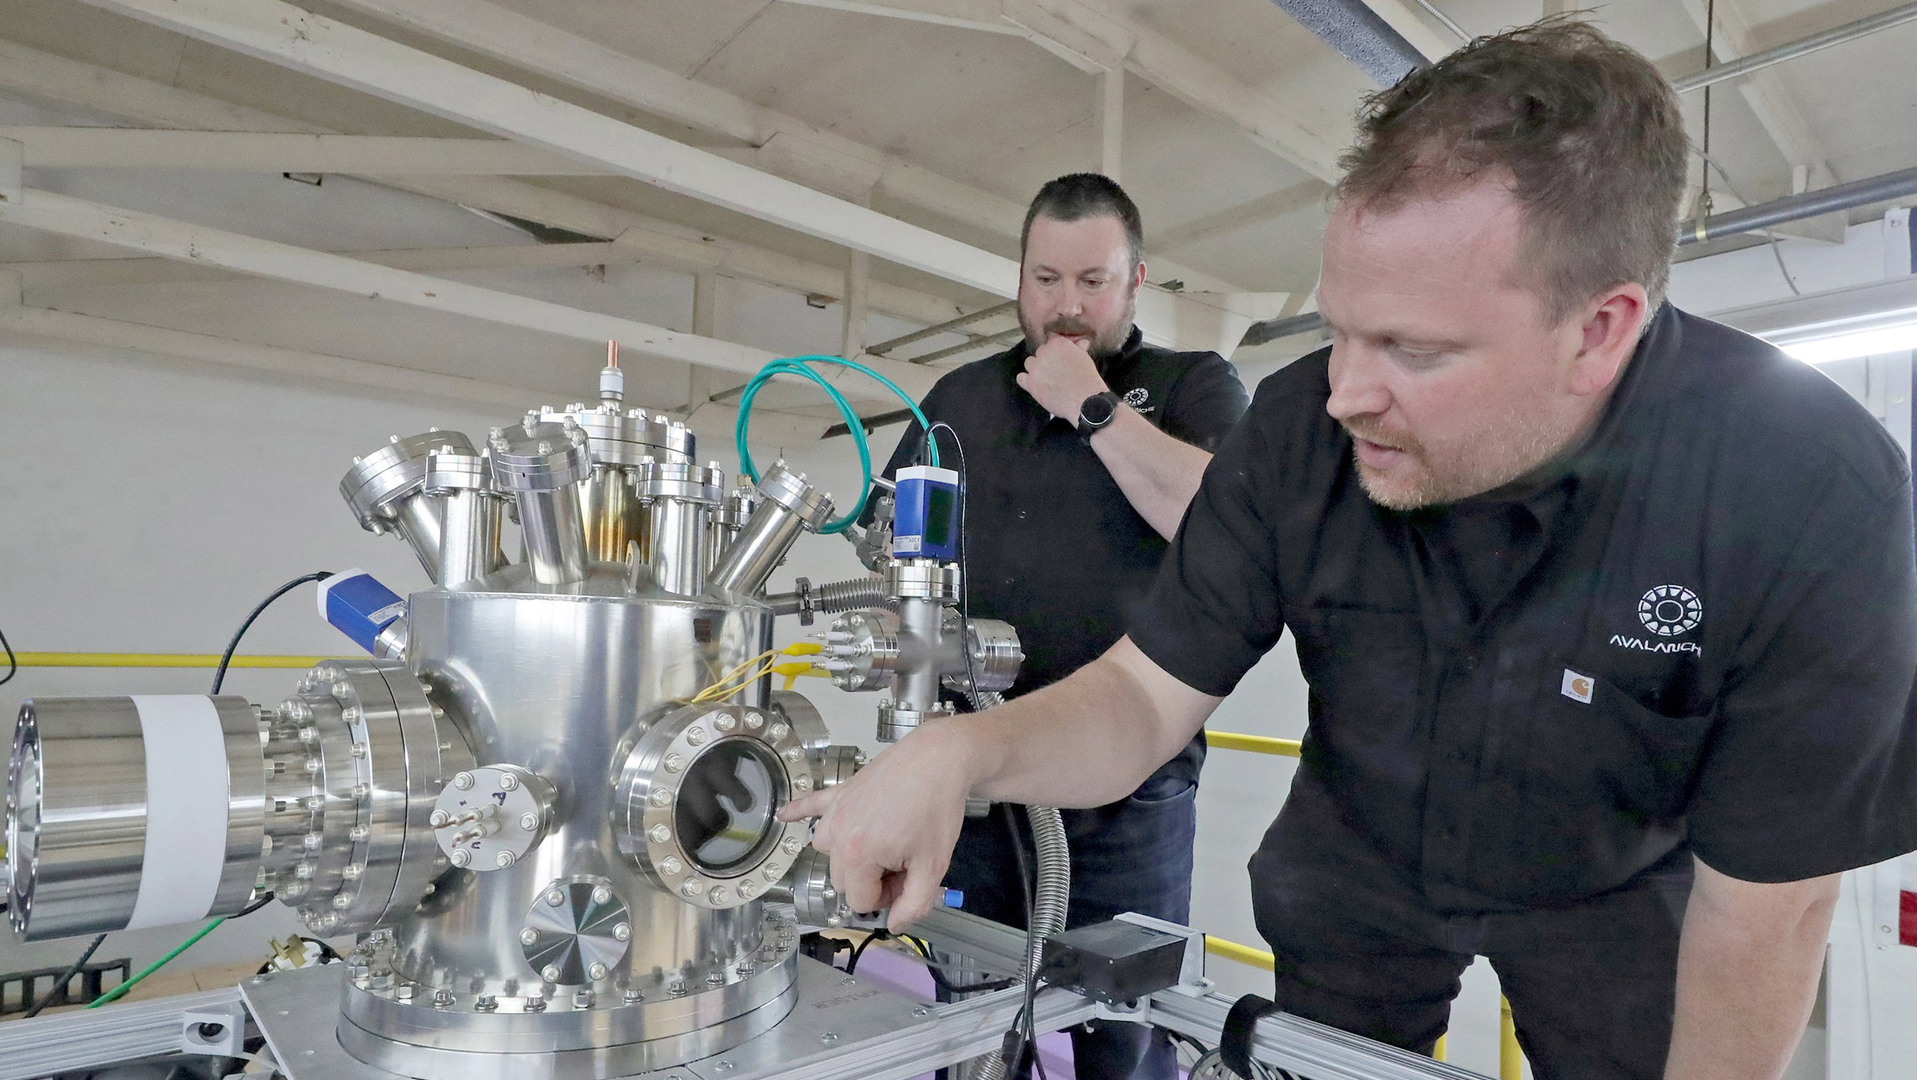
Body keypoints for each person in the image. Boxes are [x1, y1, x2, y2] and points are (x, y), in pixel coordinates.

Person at [788, 21, 1917, 1080]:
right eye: (1338, 328)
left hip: (1617, 899)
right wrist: (962, 754)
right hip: (1356, 872)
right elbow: (1140, 698)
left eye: (1412, 350)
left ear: (1600, 332)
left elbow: (1765, 907)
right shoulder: (1294, 429)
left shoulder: (1804, 491)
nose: (1346, 392)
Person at [863, 172, 1249, 1079]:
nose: (1065, 306)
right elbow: (891, 548)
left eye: (1091, 281)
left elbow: (1223, 524)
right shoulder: (960, 396)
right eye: (1046, 280)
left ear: (1137, 281)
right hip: (973, 784)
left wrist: (1091, 404)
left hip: (1129, 797)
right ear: (1019, 278)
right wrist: (893, 631)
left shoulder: (1191, 385)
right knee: (963, 1023)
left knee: (1123, 1033)